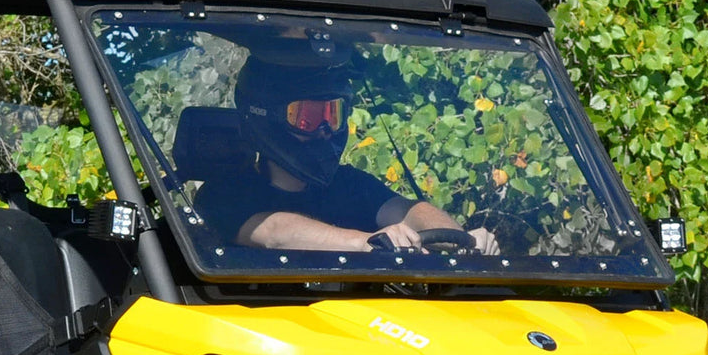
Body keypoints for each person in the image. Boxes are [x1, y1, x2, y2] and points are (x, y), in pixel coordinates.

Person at [196, 57, 498, 255]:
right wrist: (366, 242)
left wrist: (462, 241)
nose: (326, 130)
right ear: (268, 118)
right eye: (308, 117)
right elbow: (274, 232)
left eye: (334, 114)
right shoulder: (223, 192)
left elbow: (408, 210)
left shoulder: (350, 184)